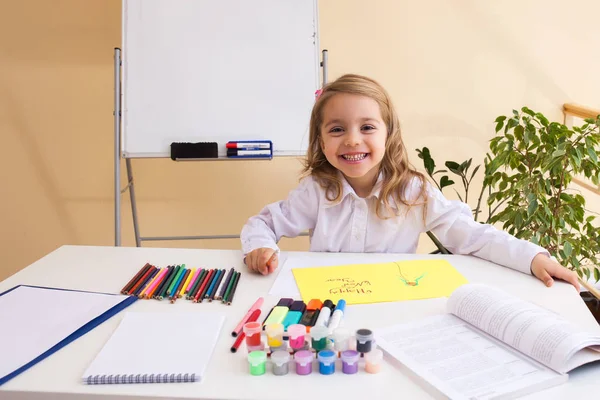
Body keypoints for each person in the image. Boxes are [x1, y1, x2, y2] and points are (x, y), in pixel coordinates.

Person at [240, 74, 580, 290]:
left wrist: (533, 258)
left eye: (367, 127)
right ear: (321, 139)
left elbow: (472, 236)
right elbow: (264, 223)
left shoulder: (413, 191)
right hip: (329, 304)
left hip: (394, 304)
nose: (352, 140)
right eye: (337, 129)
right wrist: (260, 247)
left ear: (389, 134)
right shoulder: (317, 189)